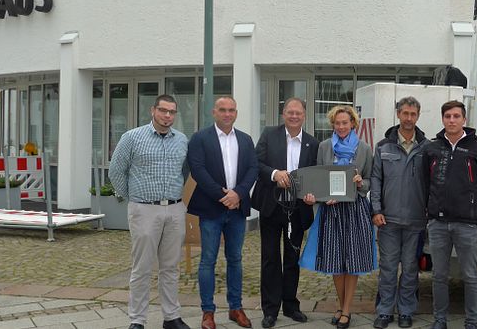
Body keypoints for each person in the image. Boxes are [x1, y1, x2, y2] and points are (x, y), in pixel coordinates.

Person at [109, 94, 191, 329]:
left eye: (172, 112)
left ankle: (171, 317)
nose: (167, 116)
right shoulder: (132, 138)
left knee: (171, 267)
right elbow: (116, 171)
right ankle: (137, 320)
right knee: (142, 268)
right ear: (152, 110)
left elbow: (183, 172)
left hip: (175, 209)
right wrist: (133, 199)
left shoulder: (182, 140)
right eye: (163, 110)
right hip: (144, 209)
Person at [300, 105, 375, 329]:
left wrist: (361, 182)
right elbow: (319, 178)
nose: (341, 126)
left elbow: (371, 180)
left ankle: (347, 310)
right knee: (335, 261)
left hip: (355, 210)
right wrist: (321, 197)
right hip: (331, 211)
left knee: (352, 261)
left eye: (345, 122)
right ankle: (342, 306)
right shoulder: (324, 147)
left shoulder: (364, 148)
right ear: (332, 124)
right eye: (337, 123)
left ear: (353, 124)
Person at [187, 97, 259, 329]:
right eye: (222, 110)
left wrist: (237, 194)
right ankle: (208, 312)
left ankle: (235, 308)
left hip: (237, 210)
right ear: (214, 112)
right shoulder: (200, 138)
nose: (227, 114)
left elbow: (252, 169)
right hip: (211, 208)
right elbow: (197, 170)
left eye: (231, 110)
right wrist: (223, 195)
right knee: (208, 260)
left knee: (235, 259)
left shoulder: (245, 139)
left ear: (236, 113)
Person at [424, 100, 477, 329]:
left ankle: (472, 321)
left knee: (471, 276)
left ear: (464, 119)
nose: (451, 120)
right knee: (439, 276)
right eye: (447, 116)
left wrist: (471, 203)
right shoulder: (432, 148)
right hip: (438, 223)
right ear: (442, 119)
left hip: (466, 223)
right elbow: (425, 182)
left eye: (456, 116)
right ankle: (439, 320)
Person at [251, 98, 320, 328]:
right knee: (270, 258)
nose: (294, 116)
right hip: (272, 206)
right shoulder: (269, 134)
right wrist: (273, 174)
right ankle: (270, 310)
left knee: (292, 259)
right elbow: (256, 163)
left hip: (298, 210)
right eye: (290, 112)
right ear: (283, 114)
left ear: (304, 115)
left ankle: (291, 305)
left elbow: (315, 177)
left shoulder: (312, 143)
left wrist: (313, 196)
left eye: (298, 113)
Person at [369, 97, 429, 329]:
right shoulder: (384, 146)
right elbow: (376, 179)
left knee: (411, 268)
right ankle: (384, 311)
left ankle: (406, 310)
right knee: (388, 268)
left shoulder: (426, 147)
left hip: (416, 220)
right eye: (405, 113)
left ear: (418, 115)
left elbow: (432, 183)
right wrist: (376, 210)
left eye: (413, 114)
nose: (408, 118)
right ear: (398, 114)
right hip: (388, 220)